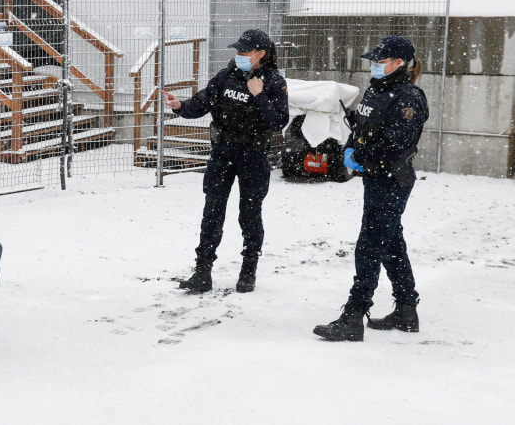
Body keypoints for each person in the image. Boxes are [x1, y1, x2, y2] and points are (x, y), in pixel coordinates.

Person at [313, 36, 429, 342]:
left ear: (399, 63)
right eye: (373, 62)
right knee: (390, 243)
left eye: (380, 62)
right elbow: (361, 127)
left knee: (369, 246)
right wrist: (351, 149)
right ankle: (406, 309)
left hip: (392, 180)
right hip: (374, 177)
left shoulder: (409, 98)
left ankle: (354, 315)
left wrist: (360, 156)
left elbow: (397, 144)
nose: (374, 66)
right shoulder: (377, 90)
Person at [162, 29, 289, 293]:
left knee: (250, 214)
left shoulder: (274, 81)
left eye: (245, 52)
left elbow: (278, 121)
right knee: (212, 211)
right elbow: (201, 103)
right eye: (238, 51)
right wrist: (179, 106)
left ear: (261, 54)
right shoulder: (226, 76)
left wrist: (260, 95)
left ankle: (248, 270)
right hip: (223, 153)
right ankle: (202, 272)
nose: (239, 55)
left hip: (253, 156)